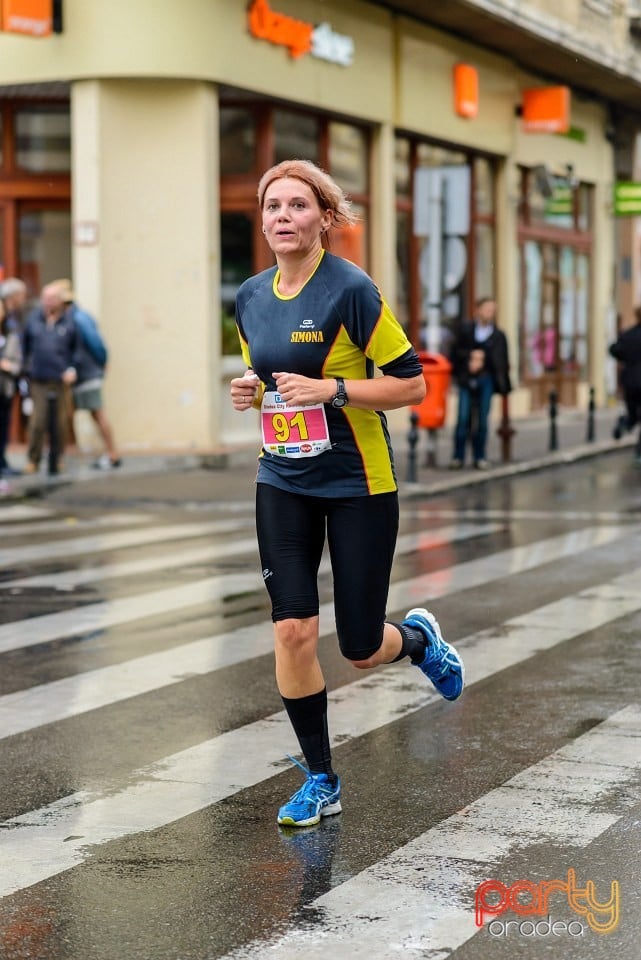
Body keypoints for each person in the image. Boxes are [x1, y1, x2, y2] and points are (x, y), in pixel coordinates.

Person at [230, 159, 465, 829]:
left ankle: (416, 640)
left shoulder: (350, 290)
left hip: (358, 481)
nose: (282, 216)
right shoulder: (248, 296)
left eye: (297, 206)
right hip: (282, 477)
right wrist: (249, 390)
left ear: (323, 219)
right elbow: (265, 373)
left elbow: (411, 384)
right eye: (272, 205)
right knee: (293, 627)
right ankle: (322, 778)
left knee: (359, 647)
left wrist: (334, 389)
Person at [53, 279, 121, 470]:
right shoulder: (66, 317)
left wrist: (102, 361)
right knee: (68, 414)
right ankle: (69, 453)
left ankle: (112, 453)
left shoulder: (79, 318)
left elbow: (96, 344)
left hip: (87, 374)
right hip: (76, 374)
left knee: (97, 413)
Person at [449, 297, 511, 470]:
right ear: (478, 310)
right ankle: (458, 457)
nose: (490, 313)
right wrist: (470, 358)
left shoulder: (498, 335)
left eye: (493, 310)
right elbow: (454, 353)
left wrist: (485, 360)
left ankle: (480, 456)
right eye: (487, 309)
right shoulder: (466, 330)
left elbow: (502, 361)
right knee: (462, 418)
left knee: (482, 419)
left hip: (486, 379)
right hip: (466, 379)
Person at [22, 283, 78, 475]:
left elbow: (76, 350)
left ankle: (58, 456)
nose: (48, 302)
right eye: (45, 298)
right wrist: (26, 369)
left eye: (52, 298)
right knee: (38, 421)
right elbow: (25, 347)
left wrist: (72, 369)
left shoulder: (69, 321)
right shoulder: (34, 320)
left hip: (60, 379)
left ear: (59, 301)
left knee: (60, 423)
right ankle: (33, 459)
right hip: (39, 378)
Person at [610, 305, 641, 462]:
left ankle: (624, 424)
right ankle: (639, 453)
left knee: (633, 414)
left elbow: (614, 349)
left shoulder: (628, 335)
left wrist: (625, 359)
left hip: (629, 382)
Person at [0, 297, 23, 476]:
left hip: (5, 388)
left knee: (3, 426)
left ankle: (2, 462)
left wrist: (9, 366)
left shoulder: (11, 334)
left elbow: (18, 362)